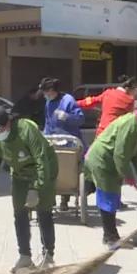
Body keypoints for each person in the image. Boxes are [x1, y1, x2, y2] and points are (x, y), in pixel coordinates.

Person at [0, 106, 58, 274]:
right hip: (20, 174)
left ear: (8, 124)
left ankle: (48, 256)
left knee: (44, 212)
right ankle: (25, 256)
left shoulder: (26, 130)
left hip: (45, 170)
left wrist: (36, 188)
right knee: (19, 213)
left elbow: (41, 159)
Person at [84, 109, 137, 249]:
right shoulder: (130, 124)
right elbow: (120, 154)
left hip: (110, 161)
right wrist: (128, 176)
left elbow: (136, 152)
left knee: (109, 195)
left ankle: (83, 189)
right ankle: (110, 237)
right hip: (102, 160)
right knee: (109, 197)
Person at [40, 77, 83, 211]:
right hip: (53, 139)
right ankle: (50, 197)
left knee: (67, 168)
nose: (44, 95)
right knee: (49, 168)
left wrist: (67, 117)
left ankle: (65, 199)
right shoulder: (48, 103)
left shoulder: (68, 100)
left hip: (69, 141)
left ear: (52, 90)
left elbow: (80, 118)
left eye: (46, 92)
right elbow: (48, 122)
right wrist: (44, 136)